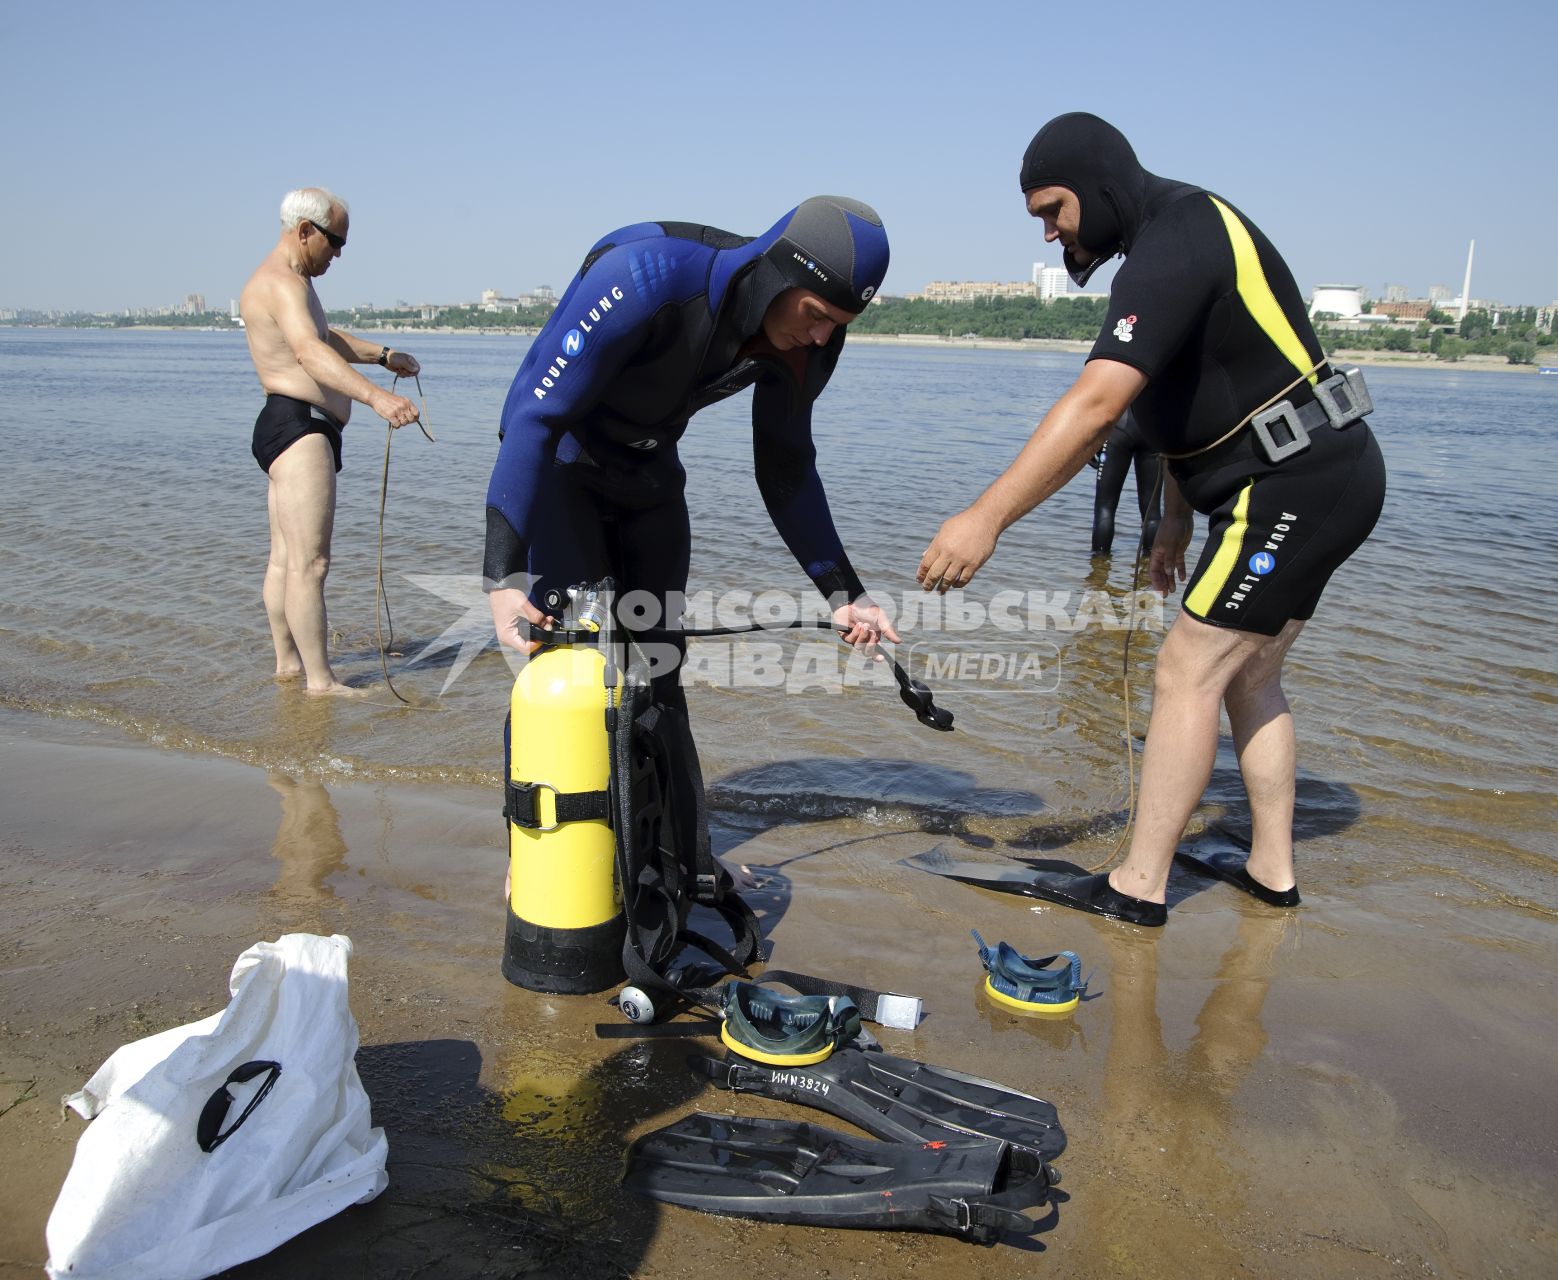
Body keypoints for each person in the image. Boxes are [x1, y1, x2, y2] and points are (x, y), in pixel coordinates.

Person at [919, 114, 1386, 925]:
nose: (1048, 231)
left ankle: (1138, 886)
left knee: (1187, 671)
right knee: (1249, 674)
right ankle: (1271, 871)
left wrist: (984, 518)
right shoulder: (1172, 241)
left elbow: (1099, 406)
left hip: (1294, 483)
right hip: (1308, 476)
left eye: (1051, 210)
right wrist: (1173, 519)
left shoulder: (1181, 236)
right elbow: (1191, 398)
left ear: (1100, 185)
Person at [485, 196, 900, 671]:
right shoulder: (648, 273)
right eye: (816, 314)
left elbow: (786, 466)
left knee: (658, 667)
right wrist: (503, 580)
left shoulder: (814, 340)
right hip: (561, 464)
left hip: (650, 471)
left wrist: (846, 594)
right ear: (781, 274)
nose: (823, 336)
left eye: (839, 323)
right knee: (572, 670)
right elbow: (533, 418)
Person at [240, 187, 422, 696]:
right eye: (335, 241)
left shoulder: (289, 283)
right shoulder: (281, 283)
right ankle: (321, 682)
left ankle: (288, 666)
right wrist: (376, 399)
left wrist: (383, 355)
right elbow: (308, 353)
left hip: (285, 424)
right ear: (305, 232)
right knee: (310, 563)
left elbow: (324, 337)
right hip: (300, 428)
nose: (339, 253)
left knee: (285, 560)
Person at [1090, 408, 1161, 558]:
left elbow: (1102, 400)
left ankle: (1099, 567)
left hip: (1119, 428)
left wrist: (1093, 439)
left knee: (1104, 508)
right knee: (1152, 512)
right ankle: (1151, 567)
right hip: (1153, 429)